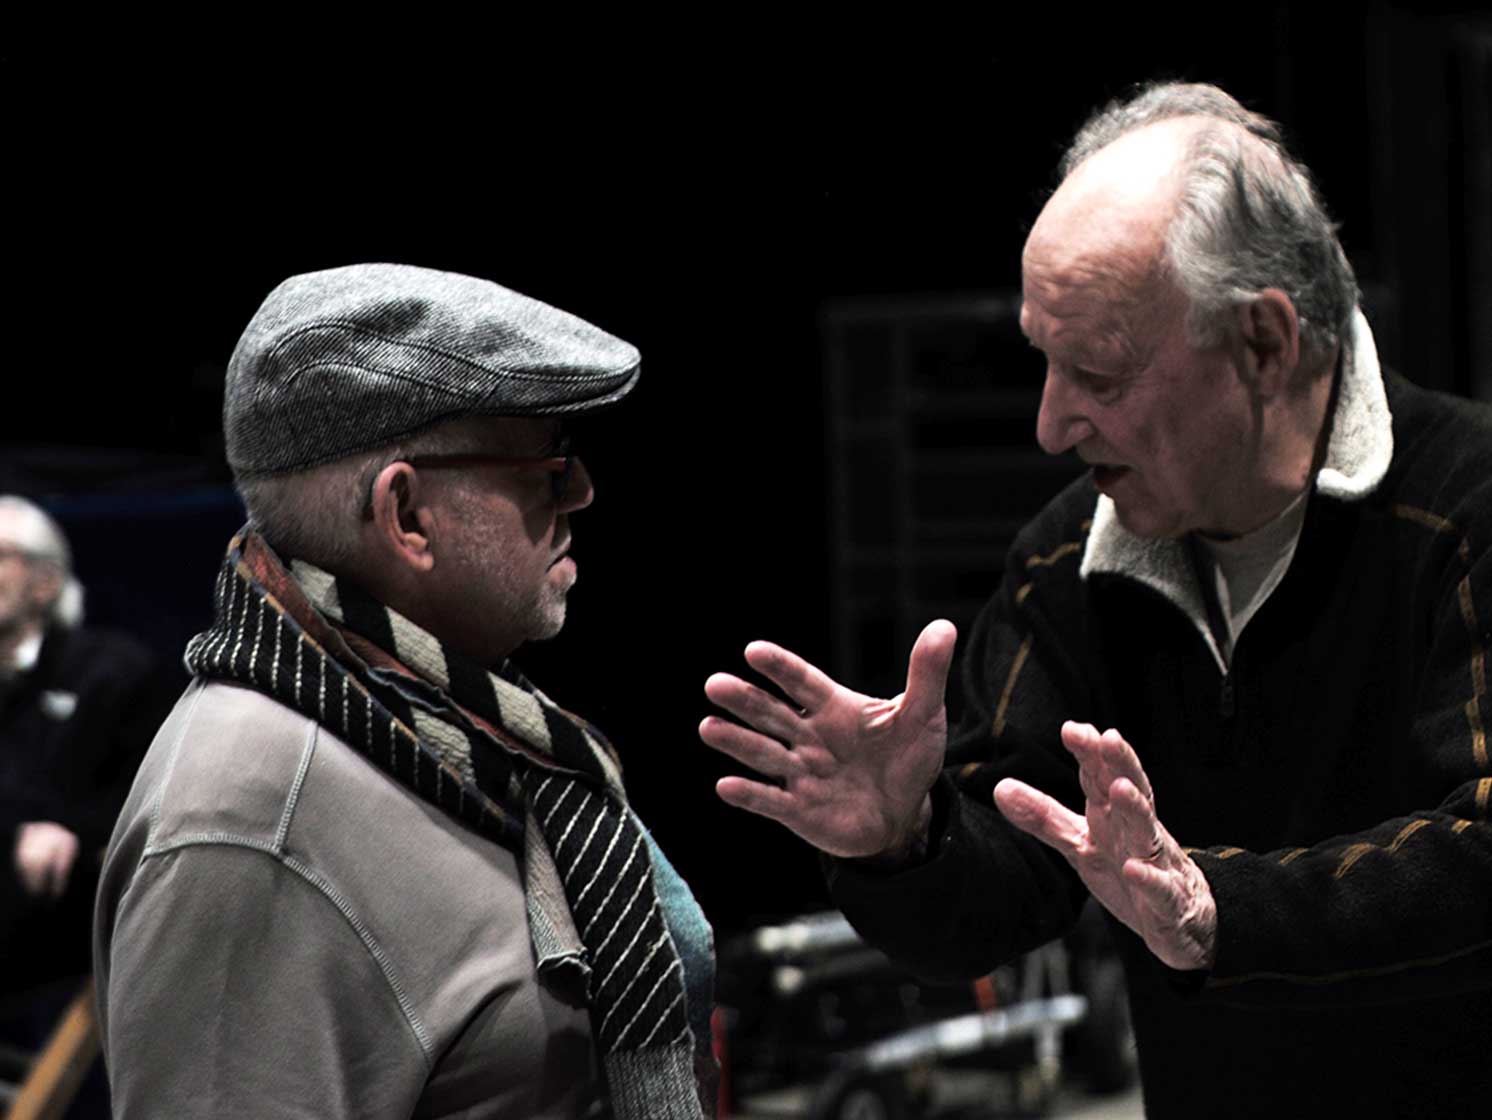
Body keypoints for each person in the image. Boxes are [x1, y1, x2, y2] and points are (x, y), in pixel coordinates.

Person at [700, 82, 1492, 1117]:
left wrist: (1218, 910)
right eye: (1043, 362)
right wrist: (905, 841)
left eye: (1099, 373)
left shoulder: (1468, 505)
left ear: (1264, 342)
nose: (1050, 425)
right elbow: (995, 900)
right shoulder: (1067, 557)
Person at [95, 264, 715, 1119]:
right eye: (547, 469)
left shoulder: (445, 724)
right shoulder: (247, 824)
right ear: (408, 515)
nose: (580, 494)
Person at [0, 496, 157, 996]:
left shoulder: (114, 673)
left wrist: (74, 832)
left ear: (45, 582)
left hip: (62, 927)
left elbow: (151, 798)